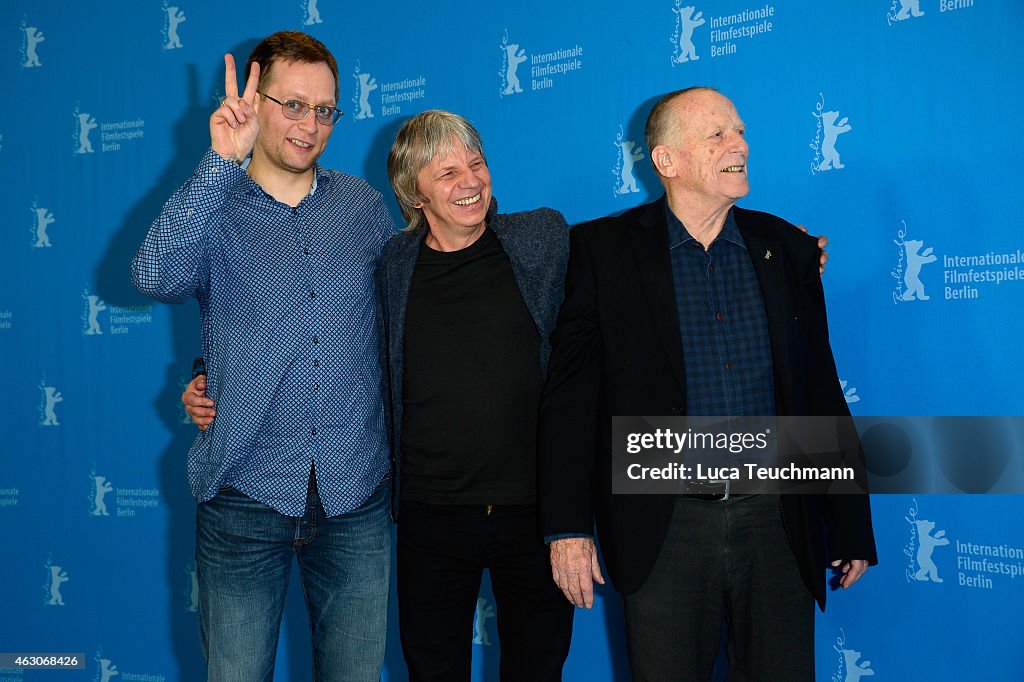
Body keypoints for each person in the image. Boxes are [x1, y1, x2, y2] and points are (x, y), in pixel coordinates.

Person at [538, 87, 877, 681]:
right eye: (716, 135)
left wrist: (848, 518)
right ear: (666, 161)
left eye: (740, 131)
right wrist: (568, 527)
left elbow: (818, 387)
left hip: (777, 522)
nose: (739, 145)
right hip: (663, 529)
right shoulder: (602, 251)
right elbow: (570, 402)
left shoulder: (788, 248)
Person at [132, 31, 394, 682]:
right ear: (257, 103)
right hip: (244, 495)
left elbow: (398, 320)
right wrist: (221, 161)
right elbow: (154, 277)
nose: (310, 125)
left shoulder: (362, 206)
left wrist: (204, 371)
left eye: (325, 109)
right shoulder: (213, 207)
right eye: (293, 104)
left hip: (356, 498)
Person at [376, 110, 574, 681]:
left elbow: (625, 268)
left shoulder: (540, 239)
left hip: (533, 513)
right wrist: (205, 370)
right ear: (415, 194)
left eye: (477, 164)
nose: (470, 182)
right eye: (447, 173)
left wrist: (777, 251)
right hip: (430, 517)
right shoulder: (391, 265)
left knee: (537, 669)